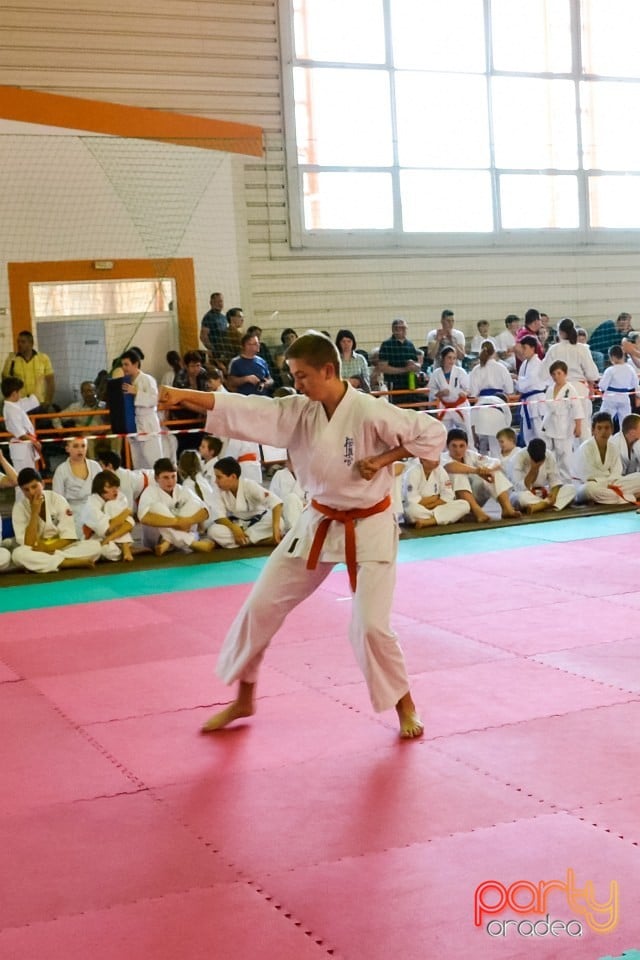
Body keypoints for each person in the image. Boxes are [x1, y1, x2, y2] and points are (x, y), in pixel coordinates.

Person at [160, 330, 447, 739]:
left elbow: (431, 433)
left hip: (371, 523)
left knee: (369, 625)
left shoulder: (368, 410)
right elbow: (249, 409)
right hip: (318, 520)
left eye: (302, 376)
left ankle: (406, 706)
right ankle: (244, 697)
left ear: (328, 370)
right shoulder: (300, 410)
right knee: (260, 606)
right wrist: (181, 394)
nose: (296, 384)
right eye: (293, 377)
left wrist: (383, 457)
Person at [11, 467, 101, 573]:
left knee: (95, 546)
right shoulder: (19, 508)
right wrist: (34, 513)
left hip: (59, 548)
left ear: (43, 484)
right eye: (26, 490)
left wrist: (47, 548)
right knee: (18, 555)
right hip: (36, 550)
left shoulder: (57, 499)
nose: (31, 492)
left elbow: (69, 537)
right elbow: (28, 544)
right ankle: (68, 563)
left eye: (34, 487)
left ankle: (49, 563)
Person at [137, 457, 215, 556]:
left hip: (181, 530)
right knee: (157, 508)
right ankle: (192, 543)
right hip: (156, 537)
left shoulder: (182, 490)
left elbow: (205, 511)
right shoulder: (150, 492)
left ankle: (168, 542)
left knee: (195, 503)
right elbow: (144, 518)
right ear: (156, 478)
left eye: (173, 476)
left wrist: (189, 521)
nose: (170, 481)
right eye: (165, 477)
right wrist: (176, 522)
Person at [442, 427, 520, 523]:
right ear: (447, 446)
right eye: (454, 446)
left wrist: (488, 470)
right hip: (455, 501)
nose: (458, 450)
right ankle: (477, 512)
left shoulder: (470, 455)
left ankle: (507, 509)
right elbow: (451, 467)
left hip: (474, 497)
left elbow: (496, 461)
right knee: (458, 474)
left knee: (494, 473)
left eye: (461, 446)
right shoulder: (443, 457)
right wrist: (477, 471)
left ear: (466, 446)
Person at [540, 317, 599, 439]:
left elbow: (543, 374)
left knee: (562, 427)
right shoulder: (582, 348)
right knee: (583, 426)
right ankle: (585, 455)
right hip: (579, 388)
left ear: (560, 333)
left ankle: (565, 456)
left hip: (560, 390)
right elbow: (592, 373)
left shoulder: (554, 349)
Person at [208, 455, 283, 548]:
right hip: (237, 524)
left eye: (219, 477)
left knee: (280, 524)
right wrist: (234, 528)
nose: (216, 481)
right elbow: (219, 516)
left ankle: (243, 541)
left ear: (233, 476)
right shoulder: (218, 490)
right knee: (213, 531)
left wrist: (275, 530)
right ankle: (261, 541)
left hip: (259, 521)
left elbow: (276, 503)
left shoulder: (249, 485)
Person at [575, 412, 640, 506]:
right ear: (593, 430)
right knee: (589, 489)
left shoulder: (613, 448)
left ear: (612, 429)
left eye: (607, 428)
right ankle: (629, 496)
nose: (603, 432)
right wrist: (608, 482)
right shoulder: (586, 448)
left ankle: (612, 498)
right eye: (599, 428)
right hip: (590, 486)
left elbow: (617, 473)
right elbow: (588, 477)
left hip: (612, 486)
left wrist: (611, 482)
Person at [468, 341, 514, 456]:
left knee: (482, 444)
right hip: (498, 405)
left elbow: (473, 393)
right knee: (496, 444)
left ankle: (482, 470)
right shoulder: (501, 367)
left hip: (481, 407)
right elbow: (510, 389)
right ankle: (497, 469)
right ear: (494, 352)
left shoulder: (476, 369)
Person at [120, 348, 164, 469]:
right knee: (138, 462)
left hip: (148, 424)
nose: (124, 368)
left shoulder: (147, 379)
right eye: (122, 365)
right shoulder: (125, 382)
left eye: (126, 364)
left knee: (153, 461)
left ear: (135, 364)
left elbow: (154, 400)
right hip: (134, 425)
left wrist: (136, 392)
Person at [541, 360, 583, 483]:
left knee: (564, 455)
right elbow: (547, 408)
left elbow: (577, 408)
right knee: (549, 454)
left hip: (564, 425)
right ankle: (553, 480)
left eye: (559, 373)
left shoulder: (570, 389)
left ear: (565, 373)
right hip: (549, 424)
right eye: (553, 374)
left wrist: (578, 426)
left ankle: (566, 482)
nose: (556, 376)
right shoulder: (549, 389)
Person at [510, 438, 576, 514]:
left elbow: (555, 481)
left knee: (571, 489)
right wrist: (534, 469)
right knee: (520, 498)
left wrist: (553, 495)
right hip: (525, 493)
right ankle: (547, 505)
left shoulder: (549, 455)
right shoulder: (517, 458)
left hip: (543, 493)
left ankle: (539, 506)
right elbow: (522, 487)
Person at [80, 470, 135, 562]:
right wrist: (126, 512)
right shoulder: (91, 506)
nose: (115, 490)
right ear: (100, 489)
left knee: (112, 505)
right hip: (94, 538)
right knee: (110, 552)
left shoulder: (119, 496)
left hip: (112, 537)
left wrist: (109, 539)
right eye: (110, 487)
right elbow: (108, 529)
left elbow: (130, 524)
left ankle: (125, 546)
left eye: (116, 486)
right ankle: (125, 546)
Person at [52, 436, 101, 536]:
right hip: (72, 510)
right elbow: (58, 499)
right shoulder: (61, 470)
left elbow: (104, 489)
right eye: (75, 446)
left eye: (83, 446)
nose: (80, 450)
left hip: (95, 506)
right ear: (67, 449)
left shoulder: (95, 466)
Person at [402, 457, 470, 528]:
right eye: (433, 458)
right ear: (422, 459)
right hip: (420, 509)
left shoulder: (440, 470)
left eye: (438, 457)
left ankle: (430, 521)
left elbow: (447, 497)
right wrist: (434, 498)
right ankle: (444, 518)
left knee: (464, 504)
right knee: (411, 511)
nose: (437, 461)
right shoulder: (413, 472)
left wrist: (432, 503)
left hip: (436, 507)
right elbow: (412, 501)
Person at [2, 330, 55, 406]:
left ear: (31, 343)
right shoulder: (12, 360)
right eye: (18, 342)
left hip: (39, 402)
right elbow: (5, 380)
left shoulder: (43, 358)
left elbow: (51, 382)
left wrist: (48, 402)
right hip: (20, 403)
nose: (19, 344)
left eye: (23, 342)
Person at [1, 376, 42, 473]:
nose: (21, 394)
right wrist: (35, 442)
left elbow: (32, 402)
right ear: (14, 393)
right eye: (20, 392)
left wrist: (38, 385)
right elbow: (21, 434)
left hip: (25, 447)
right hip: (21, 448)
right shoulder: (11, 410)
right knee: (24, 477)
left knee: (30, 474)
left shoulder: (15, 405)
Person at [377, 319, 423, 405]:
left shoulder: (410, 344)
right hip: (394, 385)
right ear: (394, 330)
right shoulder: (386, 345)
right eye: (400, 328)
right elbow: (383, 367)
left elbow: (417, 364)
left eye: (405, 328)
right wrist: (405, 369)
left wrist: (415, 365)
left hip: (410, 384)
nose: (403, 330)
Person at [429, 346, 472, 435]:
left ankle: (470, 448)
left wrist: (464, 393)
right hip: (445, 406)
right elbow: (432, 391)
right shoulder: (436, 373)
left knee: (467, 432)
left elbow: (468, 389)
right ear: (442, 358)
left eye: (454, 358)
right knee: (444, 433)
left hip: (460, 406)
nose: (452, 361)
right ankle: (445, 449)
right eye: (449, 358)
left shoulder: (460, 371)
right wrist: (440, 393)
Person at [516, 335, 547, 444]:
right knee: (528, 436)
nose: (522, 351)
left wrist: (517, 379)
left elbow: (525, 384)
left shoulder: (538, 363)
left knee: (539, 434)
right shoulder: (524, 364)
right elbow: (520, 386)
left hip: (536, 400)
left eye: (525, 348)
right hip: (527, 401)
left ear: (533, 348)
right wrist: (518, 380)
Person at [598, 345, 638, 425]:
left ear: (612, 357)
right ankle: (625, 437)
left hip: (610, 398)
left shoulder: (610, 370)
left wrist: (600, 380)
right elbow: (634, 384)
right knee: (625, 423)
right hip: (624, 397)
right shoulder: (630, 368)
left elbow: (602, 386)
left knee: (604, 421)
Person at [269, 454, 307, 532]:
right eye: (291, 460)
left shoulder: (308, 475)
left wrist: (301, 505)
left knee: (292, 498)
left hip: (304, 512)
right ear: (287, 461)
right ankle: (293, 533)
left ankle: (293, 533)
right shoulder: (279, 475)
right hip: (283, 513)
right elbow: (271, 499)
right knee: (291, 498)